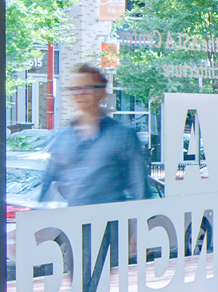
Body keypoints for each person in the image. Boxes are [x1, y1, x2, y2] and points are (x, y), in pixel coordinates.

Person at [39, 64, 146, 206]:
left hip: (111, 225)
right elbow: (47, 182)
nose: (79, 93)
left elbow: (140, 188)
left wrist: (141, 224)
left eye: (86, 88)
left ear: (101, 92)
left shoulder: (123, 135)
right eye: (75, 89)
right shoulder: (64, 137)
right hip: (73, 225)